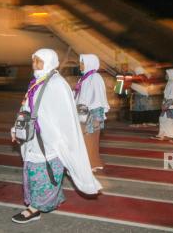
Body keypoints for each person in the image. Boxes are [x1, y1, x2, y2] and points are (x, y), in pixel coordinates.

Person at [10, 48, 101, 224]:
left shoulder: (57, 84)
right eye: (34, 60)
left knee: (43, 172)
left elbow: (65, 118)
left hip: (50, 141)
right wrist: (16, 129)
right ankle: (49, 199)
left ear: (50, 62)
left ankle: (34, 209)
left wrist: (63, 142)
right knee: (35, 171)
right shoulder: (36, 82)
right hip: (33, 138)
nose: (35, 65)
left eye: (39, 61)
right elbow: (26, 109)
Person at [74, 54, 110, 172]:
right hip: (83, 112)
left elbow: (98, 97)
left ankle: (91, 164)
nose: (80, 65)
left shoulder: (95, 77)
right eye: (81, 62)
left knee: (90, 139)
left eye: (83, 63)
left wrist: (91, 113)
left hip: (92, 113)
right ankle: (92, 163)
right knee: (86, 139)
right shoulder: (84, 78)